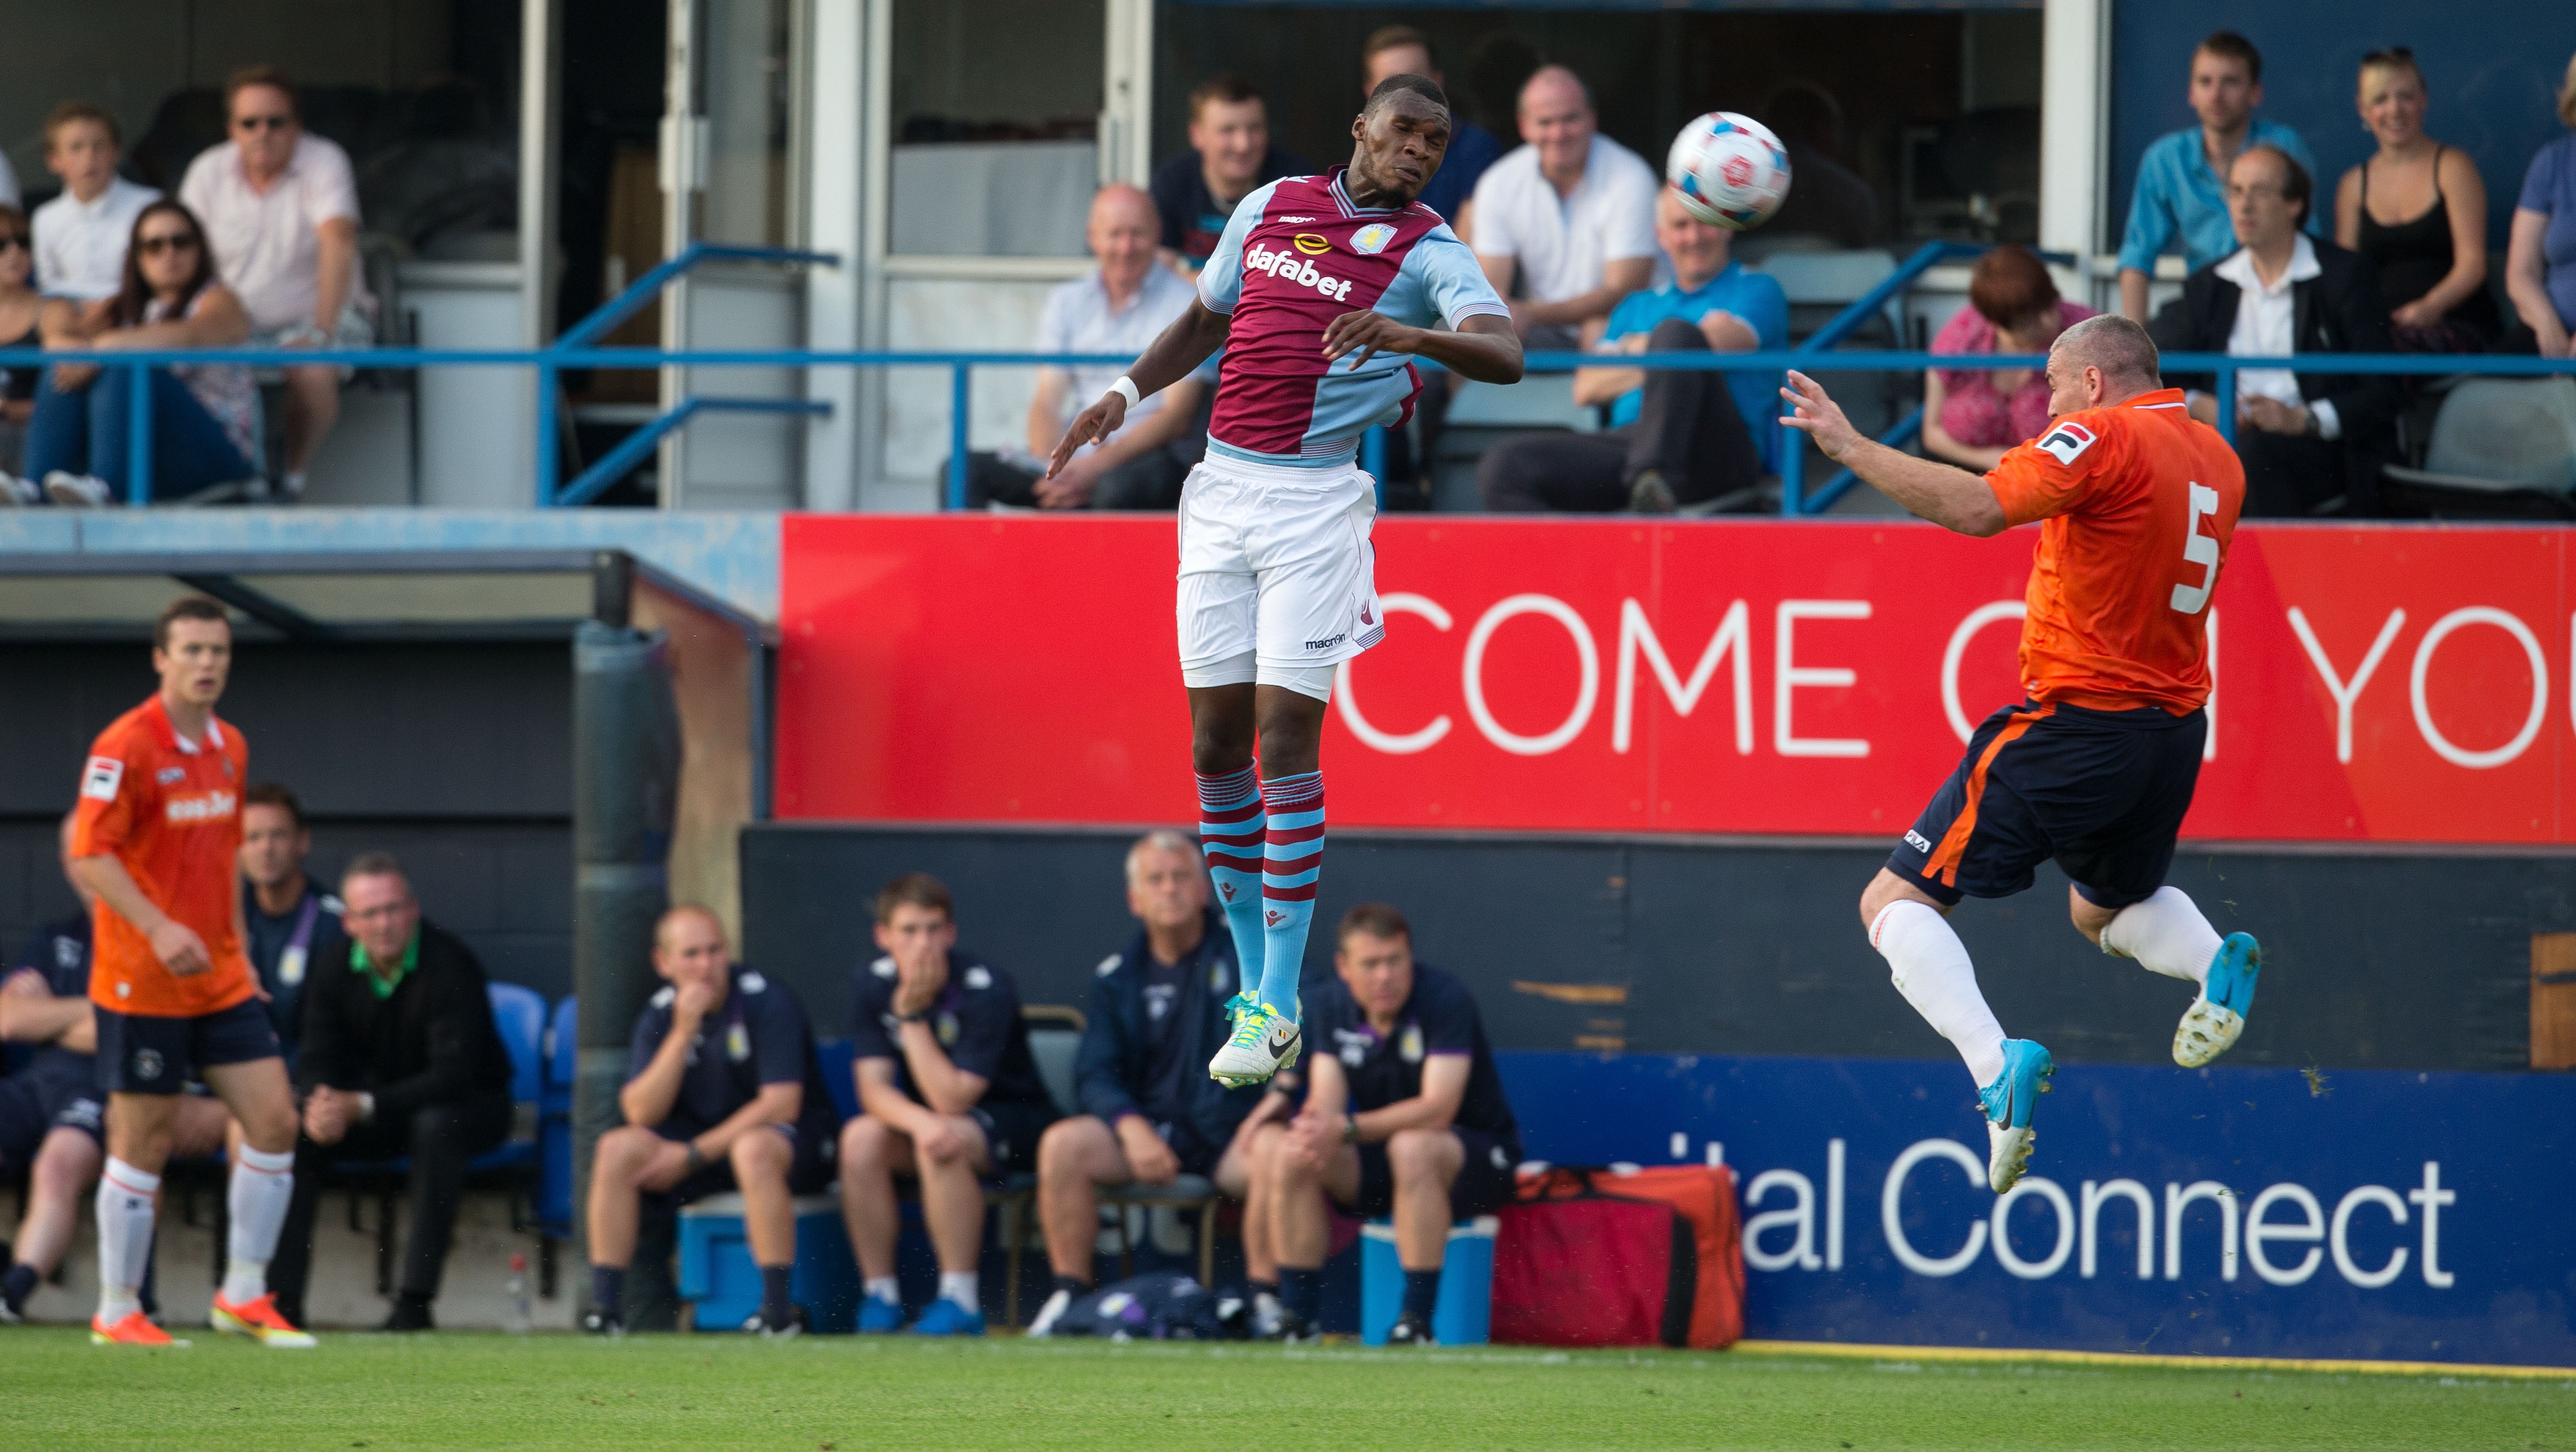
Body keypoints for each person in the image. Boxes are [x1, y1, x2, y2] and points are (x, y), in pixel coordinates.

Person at [1047, 75, 1521, 1090]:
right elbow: (1205, 317)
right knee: (1213, 745)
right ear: (1360, 127)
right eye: (1404, 131)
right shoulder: (1268, 207)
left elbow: (1506, 351)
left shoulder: (1429, 248)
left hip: (1315, 510)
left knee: (1280, 737)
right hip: (1219, 493)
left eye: (1436, 141)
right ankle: (1259, 986)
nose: (1419, 152)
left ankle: (1273, 998)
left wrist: (1413, 337)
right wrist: (1124, 395)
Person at [1780, 314, 2260, 1196]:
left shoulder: (2100, 434)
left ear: (2089, 384)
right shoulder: (2217, 455)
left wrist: (1848, 447)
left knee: (1891, 901)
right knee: (2102, 911)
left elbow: (1974, 508)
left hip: (2078, 721)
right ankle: (2209, 962)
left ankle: (1992, 1063)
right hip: (2170, 731)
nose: (2040, 403)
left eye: (2048, 384)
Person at [67, 594, 313, 1346]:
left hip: (220, 981)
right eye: (194, 651)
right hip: (143, 978)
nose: (208, 664)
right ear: (161, 658)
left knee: (275, 1120)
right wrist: (157, 924)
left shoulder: (230, 746)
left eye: (219, 651)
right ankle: (117, 1308)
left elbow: (221, 861)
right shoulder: (125, 744)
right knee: (144, 1140)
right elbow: (90, 853)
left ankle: (243, 1292)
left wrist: (239, 950)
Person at [1025, 832, 1285, 1337]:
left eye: (1181, 876)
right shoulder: (1116, 977)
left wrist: (1272, 1103)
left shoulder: (1250, 957)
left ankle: (1267, 1304)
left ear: (1205, 889)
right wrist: (1129, 1126)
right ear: (1135, 898)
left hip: (1228, 1137)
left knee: (1278, 1150)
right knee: (1063, 1145)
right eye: (1156, 879)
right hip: (1145, 1140)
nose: (1170, 890)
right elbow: (1094, 1073)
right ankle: (1070, 1298)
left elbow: (1292, 1027)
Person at [1246, 903, 1521, 1345]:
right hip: (1384, 1157)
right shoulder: (1331, 1003)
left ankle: (1415, 1323)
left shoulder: (1444, 998)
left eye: (1395, 961)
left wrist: (1346, 1128)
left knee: (1413, 1146)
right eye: (1370, 965)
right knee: (1294, 1151)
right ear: (1344, 967)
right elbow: (1327, 1102)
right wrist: (1316, 1129)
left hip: (1476, 1157)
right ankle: (1299, 1319)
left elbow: (1438, 1109)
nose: (1384, 976)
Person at [264, 854, 514, 1332]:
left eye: (394, 909)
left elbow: (455, 1077)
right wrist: (319, 1104)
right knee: (298, 1136)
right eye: (370, 913)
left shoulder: (451, 963)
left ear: (414, 909)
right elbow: (318, 1054)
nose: (384, 924)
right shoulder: (334, 965)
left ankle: (415, 1304)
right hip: (379, 1110)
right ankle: (281, 1305)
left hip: (472, 1109)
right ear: (349, 922)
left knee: (437, 1126)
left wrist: (361, 1105)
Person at [1, 812, 226, 1323]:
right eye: (79, 852)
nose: (90, 863)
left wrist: (51, 1017)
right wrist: (89, 1013)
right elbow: (9, 1019)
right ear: (65, 862)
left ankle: (15, 1290)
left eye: (101, 852)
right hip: (35, 1084)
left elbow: (128, 1031)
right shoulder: (53, 937)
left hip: (105, 1088)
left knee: (61, 1159)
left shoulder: (156, 936)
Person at [586, 904, 839, 1337]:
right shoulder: (660, 1015)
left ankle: (777, 1312)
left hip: (794, 1145)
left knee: (753, 1148)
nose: (706, 966)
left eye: (715, 951)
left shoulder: (767, 999)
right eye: (691, 955)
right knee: (617, 1148)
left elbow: (782, 1104)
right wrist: (683, 1031)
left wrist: (692, 1154)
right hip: (703, 1150)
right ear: (663, 963)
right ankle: (605, 1310)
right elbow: (641, 1112)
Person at [1477, 187, 1789, 513]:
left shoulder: (1757, 287)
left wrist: (1634, 349)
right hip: (1633, 442)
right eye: (1681, 226)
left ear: (1727, 226)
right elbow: (1587, 387)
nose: (1694, 237)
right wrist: (1666, 353)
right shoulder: (1636, 305)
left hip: (1718, 452)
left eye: (1705, 222)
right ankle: (1584, 557)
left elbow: (1725, 341)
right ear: (1662, 236)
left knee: (1676, 333)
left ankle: (1651, 481)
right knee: (1504, 467)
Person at [839, 874, 1058, 1336]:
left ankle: (960, 1299)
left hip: (1015, 1122)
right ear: (883, 937)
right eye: (909, 931)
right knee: (861, 1138)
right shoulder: (872, 983)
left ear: (952, 933)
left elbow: (953, 1096)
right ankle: (880, 1294)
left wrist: (912, 1017)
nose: (923, 944)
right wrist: (919, 1123)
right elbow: (872, 1089)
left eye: (934, 929)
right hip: (935, 1121)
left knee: (943, 1137)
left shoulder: (986, 986)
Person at [2149, 146, 2400, 517]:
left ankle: (2259, 575)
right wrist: (2204, 406)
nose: (2244, 205)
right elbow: (2154, 368)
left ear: (2294, 204)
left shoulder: (2344, 276)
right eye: (2235, 191)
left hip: (2320, 450)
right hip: (2225, 442)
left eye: (2260, 191)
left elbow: (2384, 391)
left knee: (2252, 457)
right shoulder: (2211, 285)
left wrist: (2302, 419)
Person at [179, 65, 374, 501]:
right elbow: (183, 253)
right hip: (234, 323)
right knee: (180, 368)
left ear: (297, 125)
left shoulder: (325, 160)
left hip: (319, 314)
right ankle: (237, 481)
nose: (262, 132)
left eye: (276, 122)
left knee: (312, 368)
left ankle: (290, 481)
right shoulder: (207, 171)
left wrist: (321, 331)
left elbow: (338, 242)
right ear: (232, 128)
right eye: (249, 123)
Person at [960, 186, 1211, 510]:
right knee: (961, 472)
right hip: (1074, 457)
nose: (1126, 247)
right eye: (1114, 234)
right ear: (1092, 237)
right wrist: (1055, 471)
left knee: (1114, 489)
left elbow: (1176, 417)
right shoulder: (1067, 302)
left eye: (1138, 233)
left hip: (1151, 457)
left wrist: (1091, 470)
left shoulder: (1186, 302)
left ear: (1158, 234)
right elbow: (1047, 403)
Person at [27, 200, 257, 506]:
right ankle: (34, 487)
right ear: (137, 257)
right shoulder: (123, 308)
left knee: (126, 364)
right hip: (147, 454)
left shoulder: (219, 299)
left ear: (199, 248)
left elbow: (193, 335)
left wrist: (103, 351)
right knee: (69, 365)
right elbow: (60, 337)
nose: (169, 254)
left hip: (213, 456)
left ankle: (106, 487)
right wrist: (69, 347)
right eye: (154, 246)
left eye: (181, 242)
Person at [2117, 32, 2318, 324]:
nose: (2216, 95)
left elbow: (2309, 239)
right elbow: (2137, 256)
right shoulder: (2165, 158)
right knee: (2167, 344)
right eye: (2205, 82)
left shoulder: (2285, 147)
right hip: (2205, 304)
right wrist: (2133, 346)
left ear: (2255, 93)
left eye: (2230, 82)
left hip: (2281, 300)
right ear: (2191, 93)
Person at [1469, 65, 1658, 348]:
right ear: (1524, 125)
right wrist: (1502, 320)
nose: (1558, 134)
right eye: (1545, 122)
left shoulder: (1632, 176)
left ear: (1593, 118)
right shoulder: (1498, 182)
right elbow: (1490, 291)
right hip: (1542, 333)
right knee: (1463, 336)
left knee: (1597, 329)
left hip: (1624, 328)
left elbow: (1626, 289)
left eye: (1570, 119)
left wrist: (1529, 314)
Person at [2333, 48, 2497, 354]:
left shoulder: (2453, 167)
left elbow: (2473, 265)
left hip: (2455, 324)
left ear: (2424, 100)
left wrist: (2430, 307)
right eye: (2380, 100)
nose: (2395, 110)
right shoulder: (2353, 185)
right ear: (2363, 110)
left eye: (2405, 96)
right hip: (2382, 333)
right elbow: (2347, 281)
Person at [1924, 246, 2099, 470]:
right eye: (2032, 318)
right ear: (2000, 322)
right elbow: (1932, 432)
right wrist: (1987, 459)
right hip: (1969, 477)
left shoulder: (2089, 331)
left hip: (2066, 480)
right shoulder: (1958, 342)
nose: (2050, 321)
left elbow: (2118, 418)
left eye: (2050, 304)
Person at [1151, 76, 1312, 274]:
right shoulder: (1172, 183)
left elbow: (1305, 272)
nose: (1243, 145)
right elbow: (1159, 274)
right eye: (1228, 130)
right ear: (1197, 135)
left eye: (1254, 129)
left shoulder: (1296, 183)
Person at [236, 782, 344, 1069]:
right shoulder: (223, 917)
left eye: (278, 835)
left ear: (303, 841)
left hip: (305, 1082)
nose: (266, 848)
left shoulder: (333, 923)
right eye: (253, 837)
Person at [1363, 27, 1501, 235]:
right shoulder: (1362, 148)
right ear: (1371, 92)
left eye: (1415, 78)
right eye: (1392, 82)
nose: (1405, 91)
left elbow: (1463, 250)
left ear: (1437, 81)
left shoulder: (1477, 148)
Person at [29, 103, 160, 309]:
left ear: (116, 152)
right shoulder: (45, 218)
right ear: (53, 160)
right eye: (76, 148)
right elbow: (48, 286)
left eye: (99, 146)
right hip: (74, 324)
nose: (89, 156)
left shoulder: (151, 206)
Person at [2505, 51, 2576, 359]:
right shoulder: (2552, 161)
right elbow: (2522, 270)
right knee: (2473, 396)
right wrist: (2549, 328)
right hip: (2551, 332)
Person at [1760, 82, 1880, 249]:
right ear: (1820, 129)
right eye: (1836, 128)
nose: (1839, 139)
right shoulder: (1852, 193)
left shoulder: (1733, 188)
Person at [0, 206, 37, 495]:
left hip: (33, 440)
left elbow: (73, 369)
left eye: (23, 242)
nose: (14, 252)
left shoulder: (55, 311)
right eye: (1, 244)